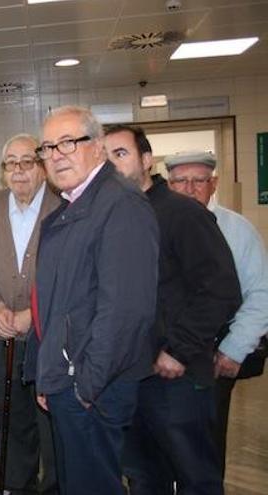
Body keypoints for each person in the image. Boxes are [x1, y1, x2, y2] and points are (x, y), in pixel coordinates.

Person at [22, 106, 159, 495]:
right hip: (70, 379)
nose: (57, 154)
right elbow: (57, 305)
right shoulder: (72, 210)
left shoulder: (119, 205)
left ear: (97, 148)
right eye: (48, 148)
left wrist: (86, 385)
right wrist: (48, 374)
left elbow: (126, 311)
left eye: (68, 142)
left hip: (94, 386)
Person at [105, 126, 241, 494]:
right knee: (146, 478)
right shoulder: (114, 217)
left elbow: (221, 289)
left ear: (147, 161)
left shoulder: (182, 214)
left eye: (120, 154)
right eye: (104, 157)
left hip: (175, 378)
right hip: (130, 376)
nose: (111, 165)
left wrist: (178, 349)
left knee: (197, 478)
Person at [165, 150, 268, 477]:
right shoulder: (154, 223)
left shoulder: (237, 230)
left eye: (199, 181)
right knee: (161, 443)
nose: (189, 188)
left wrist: (234, 349)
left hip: (214, 355)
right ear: (169, 184)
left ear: (214, 184)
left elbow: (261, 293)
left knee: (205, 446)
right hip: (163, 353)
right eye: (181, 180)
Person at [0, 133, 60, 494]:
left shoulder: (63, 207)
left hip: (49, 338)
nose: (19, 171)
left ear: (41, 167)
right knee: (10, 422)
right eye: (11, 163)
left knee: (51, 425)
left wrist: (31, 315)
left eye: (27, 162)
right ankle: (18, 488)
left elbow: (69, 278)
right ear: (3, 171)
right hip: (2, 336)